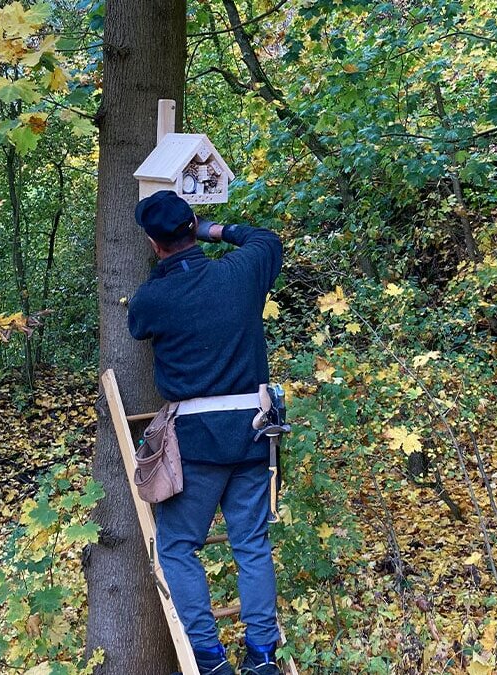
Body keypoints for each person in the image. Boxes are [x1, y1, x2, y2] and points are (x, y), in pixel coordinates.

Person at [128, 190, 283, 675]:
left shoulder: (152, 298)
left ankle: (210, 660)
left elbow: (138, 325)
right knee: (252, 544)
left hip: (196, 443)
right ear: (192, 225)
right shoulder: (240, 273)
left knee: (177, 546)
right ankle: (262, 657)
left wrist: (168, 263)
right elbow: (265, 239)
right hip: (254, 434)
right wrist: (214, 230)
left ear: (153, 244)